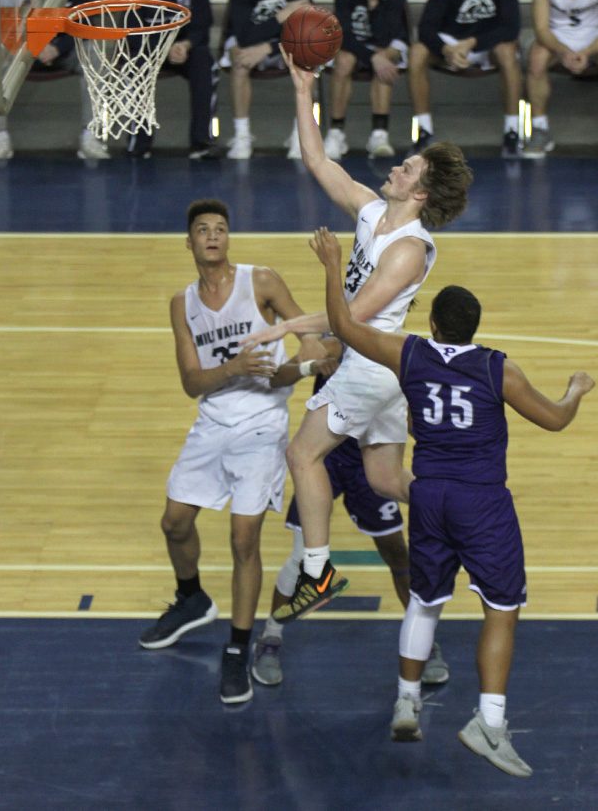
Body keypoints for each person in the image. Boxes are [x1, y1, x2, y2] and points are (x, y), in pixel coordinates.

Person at [311, 227, 594, 777]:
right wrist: (576, 391)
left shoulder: (410, 353)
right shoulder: (498, 369)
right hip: (481, 500)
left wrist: (331, 264)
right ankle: (489, 723)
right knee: (502, 609)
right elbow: (555, 421)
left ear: (434, 324)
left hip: (429, 495)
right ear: (474, 328)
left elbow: (344, 325)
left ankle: (407, 700)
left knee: (424, 599)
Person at [243, 48, 473, 624]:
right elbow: (319, 160)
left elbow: (347, 321)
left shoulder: (409, 250)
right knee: (384, 477)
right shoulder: (372, 212)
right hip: (387, 369)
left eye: (410, 168)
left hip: (372, 369)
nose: (398, 165)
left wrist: (284, 324)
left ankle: (316, 572)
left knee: (302, 453)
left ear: (421, 194)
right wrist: (303, 87)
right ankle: (465, 511)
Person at [138, 198, 324, 705]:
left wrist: (310, 359)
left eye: (221, 228)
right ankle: (191, 597)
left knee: (244, 539)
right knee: (174, 522)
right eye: (203, 230)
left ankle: (238, 649)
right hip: (213, 420)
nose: (213, 236)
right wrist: (237, 368)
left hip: (262, 424)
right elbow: (191, 382)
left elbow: (307, 329)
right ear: (190, 243)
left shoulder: (260, 280)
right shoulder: (183, 304)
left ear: (228, 239)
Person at [251, 337, 449, 687]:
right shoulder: (331, 344)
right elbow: (276, 378)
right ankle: (270, 637)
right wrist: (309, 367)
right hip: (323, 461)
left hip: (371, 462)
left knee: (396, 552)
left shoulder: (393, 351)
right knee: (301, 559)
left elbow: (409, 413)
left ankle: (425, 643)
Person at [407, 0, 523, 159]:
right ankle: (424, 131)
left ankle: (513, 131)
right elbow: (427, 27)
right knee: (417, 52)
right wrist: (446, 49)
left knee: (508, 51)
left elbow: (511, 27)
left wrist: (472, 43)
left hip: (486, 45)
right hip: (451, 43)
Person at [0, 0, 103, 161]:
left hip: (57, 49)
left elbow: (77, 21)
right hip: (17, 51)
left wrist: (55, 47)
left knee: (94, 53)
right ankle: (0, 136)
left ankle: (91, 134)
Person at [222, 0, 312, 159]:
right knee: (240, 59)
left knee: (308, 58)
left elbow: (302, 29)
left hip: (282, 43)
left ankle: (300, 137)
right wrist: (284, 15)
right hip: (248, 41)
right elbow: (244, 35)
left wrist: (267, 47)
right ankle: (242, 137)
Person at [126, 0, 215, 159]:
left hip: (185, 52)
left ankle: (201, 142)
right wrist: (164, 50)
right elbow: (133, 33)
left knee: (205, 61)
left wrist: (185, 46)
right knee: (135, 64)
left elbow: (202, 27)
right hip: (149, 52)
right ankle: (139, 144)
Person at [323, 0, 409, 161]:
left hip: (389, 44)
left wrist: (374, 1)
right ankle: (336, 132)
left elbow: (388, 36)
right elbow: (341, 32)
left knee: (385, 57)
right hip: (353, 45)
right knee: (344, 61)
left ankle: (379, 134)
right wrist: (372, 56)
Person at [524, 0, 598, 159]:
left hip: (593, 37)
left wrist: (586, 52)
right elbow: (541, 28)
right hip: (556, 38)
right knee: (536, 58)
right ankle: (540, 129)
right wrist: (565, 51)